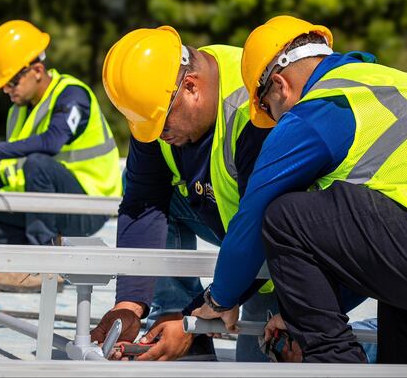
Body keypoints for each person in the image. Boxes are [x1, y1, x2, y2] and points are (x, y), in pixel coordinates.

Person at [189, 15, 407, 364]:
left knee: (285, 217)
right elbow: (371, 251)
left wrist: (220, 300)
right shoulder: (400, 85)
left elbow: (255, 212)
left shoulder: (325, 106)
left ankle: (335, 364)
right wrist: (296, 316)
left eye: (266, 110)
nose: (272, 121)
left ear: (279, 86)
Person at [92, 25, 275, 361]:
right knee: (162, 200)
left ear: (191, 88)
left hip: (283, 254)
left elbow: (270, 225)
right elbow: (142, 203)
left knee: (265, 363)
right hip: (233, 221)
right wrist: (130, 304)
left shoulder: (253, 107)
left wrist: (200, 314)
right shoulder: (159, 102)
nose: (157, 136)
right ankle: (171, 313)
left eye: (160, 125)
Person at [0, 19, 122, 292]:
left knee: (39, 163)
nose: (8, 90)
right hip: (46, 210)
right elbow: (16, 175)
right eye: (4, 85)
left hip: (88, 207)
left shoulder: (73, 96)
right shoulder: (17, 111)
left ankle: (43, 265)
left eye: (12, 82)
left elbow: (51, 144)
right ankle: (28, 255)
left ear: (37, 70)